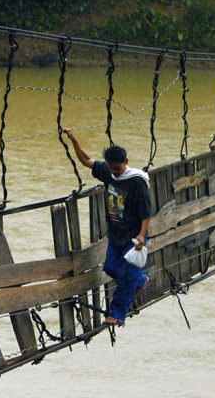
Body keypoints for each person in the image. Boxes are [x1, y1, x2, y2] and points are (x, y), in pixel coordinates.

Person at [65, 129, 152, 325]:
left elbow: (146, 213)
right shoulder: (109, 172)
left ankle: (117, 315)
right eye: (111, 168)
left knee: (127, 277)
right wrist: (74, 140)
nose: (114, 172)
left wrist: (141, 235)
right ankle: (141, 281)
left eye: (118, 168)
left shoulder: (137, 181)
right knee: (112, 269)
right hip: (115, 235)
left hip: (133, 236)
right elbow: (87, 161)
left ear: (126, 162)